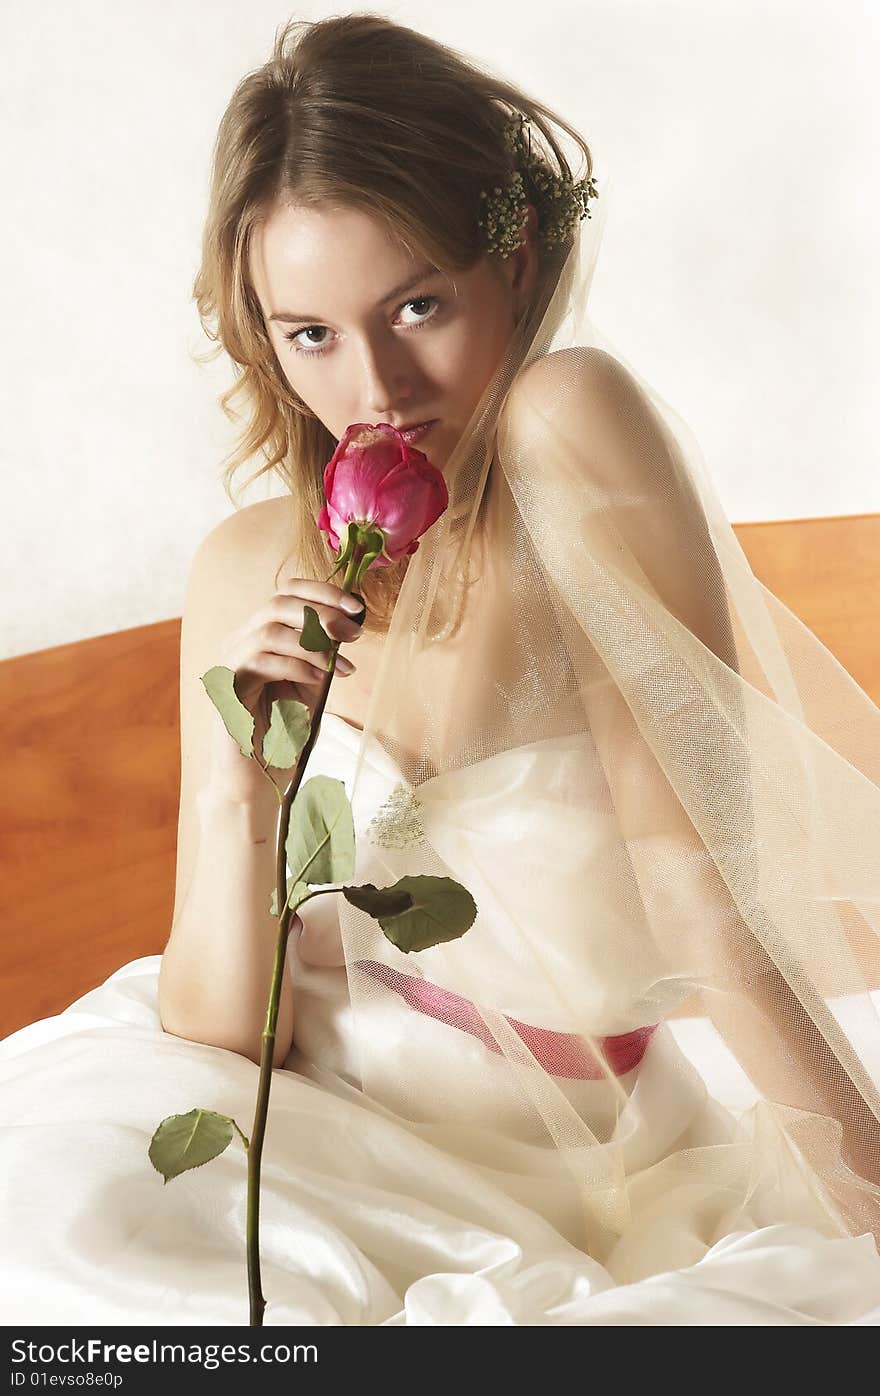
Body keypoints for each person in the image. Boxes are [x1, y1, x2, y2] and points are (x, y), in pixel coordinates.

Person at [2, 13, 880, 1326]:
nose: (377, 387)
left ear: (514, 265)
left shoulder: (571, 430)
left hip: (572, 1160)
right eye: (309, 333)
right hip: (311, 1118)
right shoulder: (246, 568)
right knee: (60, 1256)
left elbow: (702, 899)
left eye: (417, 305)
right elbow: (222, 1032)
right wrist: (245, 790)